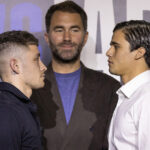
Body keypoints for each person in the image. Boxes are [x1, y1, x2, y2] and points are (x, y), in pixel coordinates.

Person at [31, 1, 120, 150]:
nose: (67, 38)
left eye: (74, 30)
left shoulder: (110, 88)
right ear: (47, 37)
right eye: (59, 30)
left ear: (85, 37)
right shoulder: (28, 87)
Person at [107, 20, 150, 150]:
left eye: (116, 46)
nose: (108, 52)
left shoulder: (147, 97)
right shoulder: (132, 94)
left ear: (139, 53)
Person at [0, 30, 47, 150]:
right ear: (15, 66)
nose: (43, 67)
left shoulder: (17, 108)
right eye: (36, 60)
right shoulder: (7, 112)